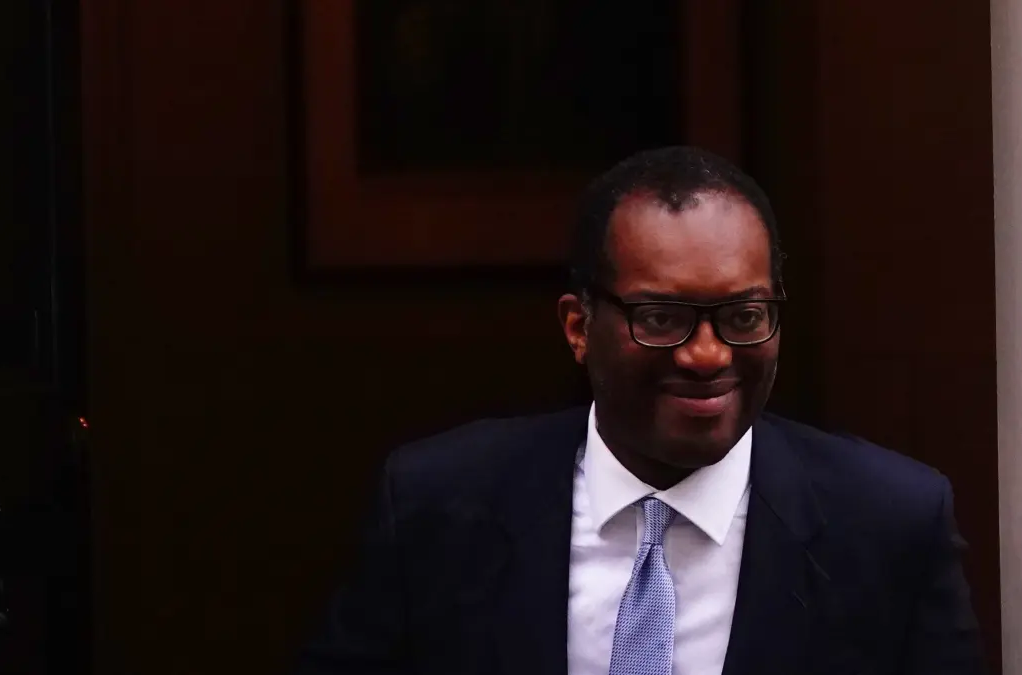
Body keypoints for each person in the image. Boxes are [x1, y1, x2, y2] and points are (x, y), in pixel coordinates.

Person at [295, 146, 985, 675]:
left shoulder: (889, 526)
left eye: (744, 316)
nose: (708, 354)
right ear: (578, 327)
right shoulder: (437, 507)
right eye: (661, 317)